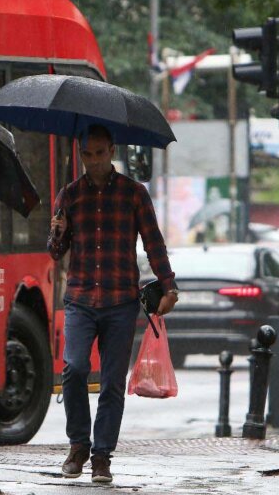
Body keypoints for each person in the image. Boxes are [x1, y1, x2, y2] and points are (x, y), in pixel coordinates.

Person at [48, 125, 177, 483]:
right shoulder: (69, 195)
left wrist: (169, 286)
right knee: (73, 368)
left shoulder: (134, 194)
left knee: (112, 382)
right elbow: (56, 252)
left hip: (120, 300)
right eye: (87, 155)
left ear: (112, 151)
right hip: (80, 298)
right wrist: (57, 230)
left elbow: (154, 243)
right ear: (80, 154)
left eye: (100, 153)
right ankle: (78, 445)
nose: (94, 161)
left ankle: (102, 455)